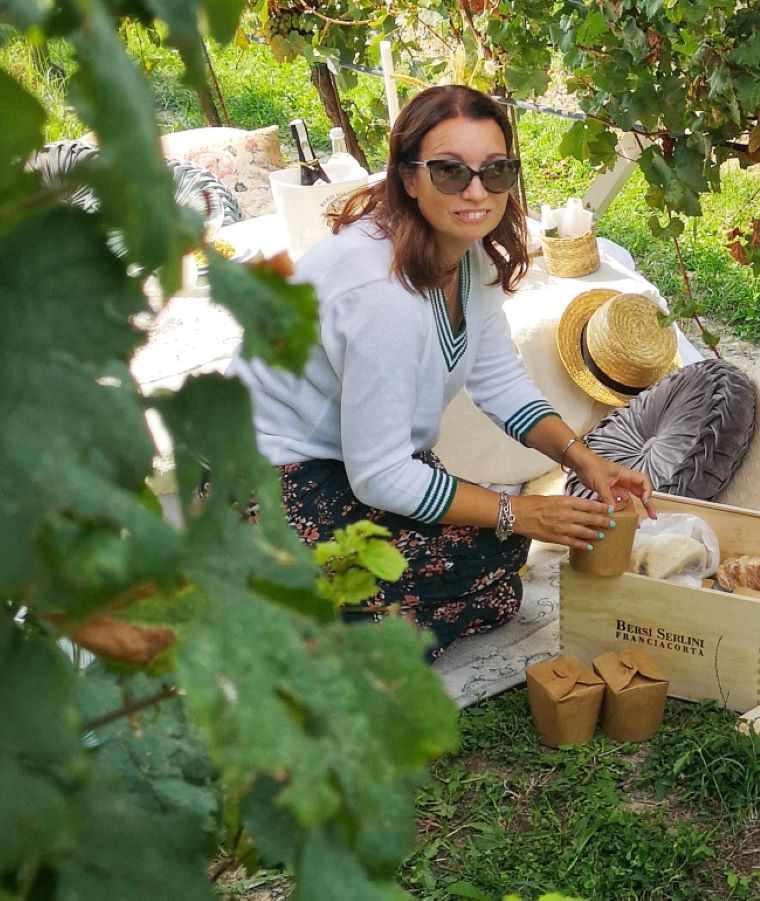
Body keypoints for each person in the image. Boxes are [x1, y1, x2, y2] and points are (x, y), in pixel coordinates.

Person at [230, 85, 653, 655]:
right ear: (408, 177)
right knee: (493, 552)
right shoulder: (383, 296)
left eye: (496, 171)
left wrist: (582, 459)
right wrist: (518, 510)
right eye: (450, 172)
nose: (477, 191)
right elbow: (379, 476)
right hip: (274, 481)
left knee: (499, 560)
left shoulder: (464, 252)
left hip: (350, 460)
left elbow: (499, 379)